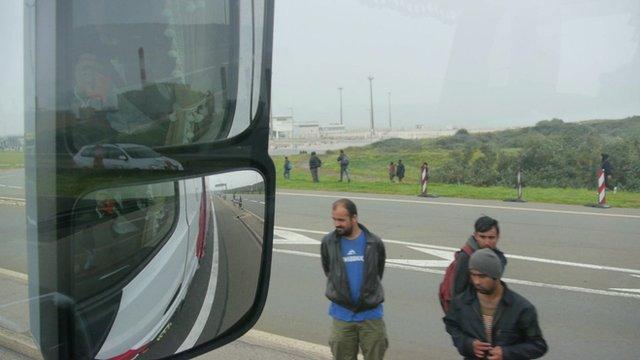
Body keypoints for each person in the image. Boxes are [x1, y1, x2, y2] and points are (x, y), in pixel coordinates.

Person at [443, 249, 548, 359]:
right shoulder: (462, 302)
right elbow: (452, 325)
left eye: (482, 276)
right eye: (473, 275)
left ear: (496, 276)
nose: (477, 281)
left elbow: (538, 346)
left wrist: (506, 353)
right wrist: (468, 344)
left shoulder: (521, 308)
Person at [321, 199, 388, 360]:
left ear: (354, 218)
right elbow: (328, 270)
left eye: (342, 220)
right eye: (335, 219)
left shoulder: (374, 242)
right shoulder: (328, 242)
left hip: (371, 317)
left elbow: (378, 272)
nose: (337, 224)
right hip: (342, 317)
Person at [451, 216, 507, 301]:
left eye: (491, 237)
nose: (487, 242)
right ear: (475, 236)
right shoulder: (466, 257)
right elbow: (457, 292)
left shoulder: (500, 259)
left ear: (498, 237)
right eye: (482, 237)